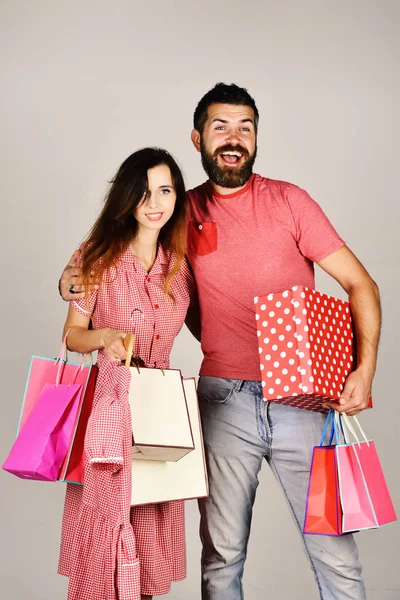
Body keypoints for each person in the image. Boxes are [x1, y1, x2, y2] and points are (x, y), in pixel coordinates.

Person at [60, 84, 381, 600]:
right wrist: (69, 279)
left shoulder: (289, 201)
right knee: (221, 557)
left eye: (245, 128)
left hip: (302, 400)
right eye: (220, 127)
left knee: (335, 554)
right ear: (197, 138)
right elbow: (112, 250)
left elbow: (362, 284)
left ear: (256, 138)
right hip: (221, 402)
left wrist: (362, 371)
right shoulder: (177, 213)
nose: (233, 139)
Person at [58, 147, 197, 600]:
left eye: (165, 190)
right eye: (143, 193)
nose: (155, 203)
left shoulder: (180, 268)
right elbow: (73, 335)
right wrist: (106, 337)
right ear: (126, 198)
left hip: (162, 412)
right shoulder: (96, 257)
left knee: (149, 543)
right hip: (111, 411)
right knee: (107, 548)